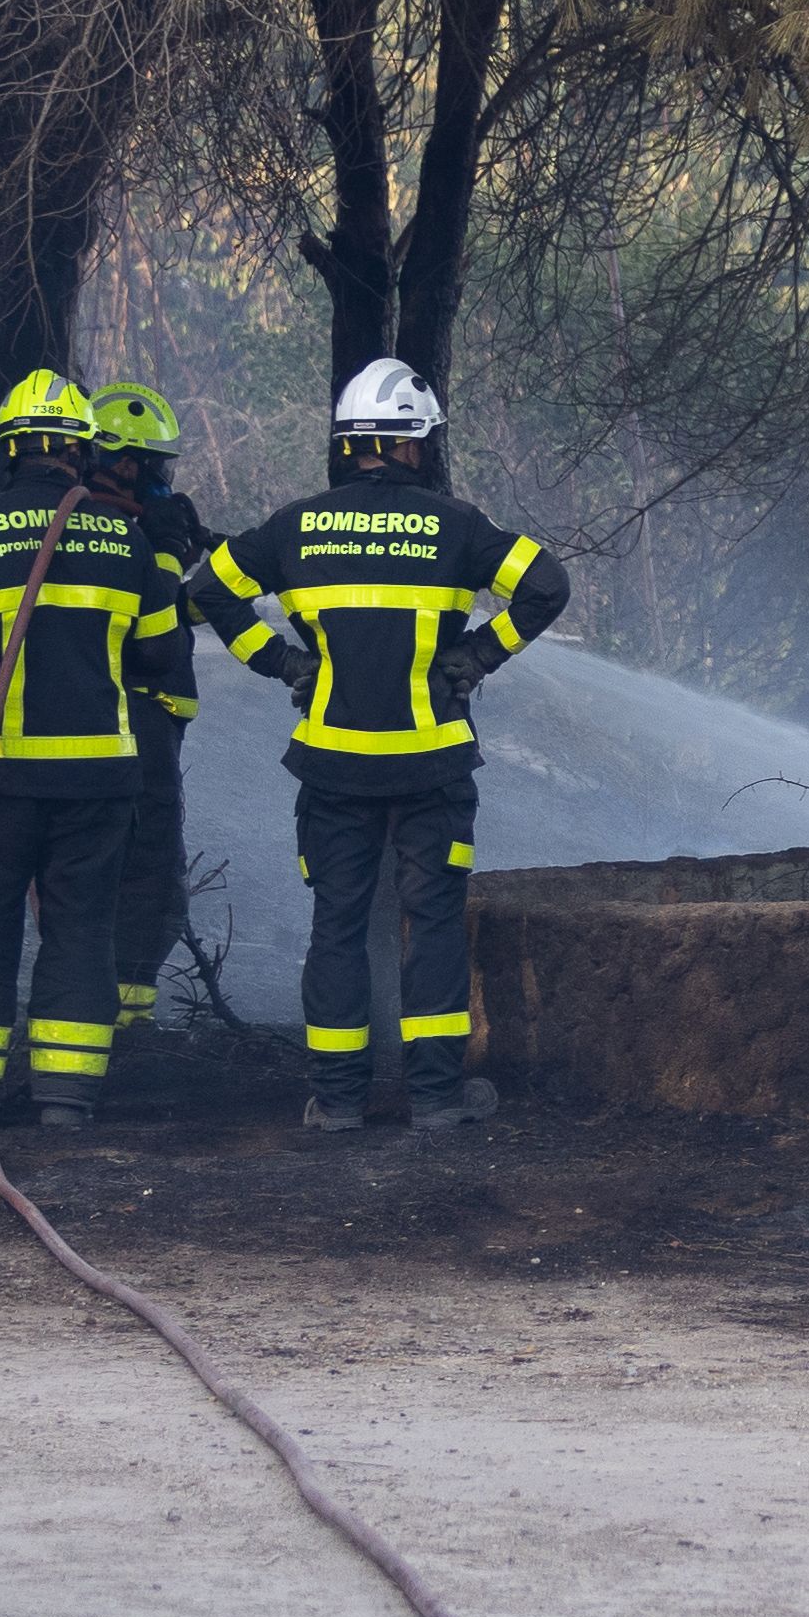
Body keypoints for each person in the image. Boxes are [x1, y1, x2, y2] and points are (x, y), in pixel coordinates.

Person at [202, 359, 568, 1131]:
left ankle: (336, 1101)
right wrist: (479, 654)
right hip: (431, 762)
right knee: (431, 920)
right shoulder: (457, 525)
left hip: (332, 763)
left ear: (350, 445)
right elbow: (546, 584)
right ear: (412, 446)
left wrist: (285, 663)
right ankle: (435, 1098)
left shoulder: (295, 525)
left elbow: (207, 590)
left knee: (336, 921)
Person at [0, 368, 178, 1132]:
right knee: (82, 931)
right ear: (80, 451)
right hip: (100, 783)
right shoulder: (126, 538)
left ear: (10, 451)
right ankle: (65, 1099)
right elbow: (161, 657)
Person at [84, 379, 210, 1039]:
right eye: (157, 465)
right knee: (149, 876)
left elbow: (167, 612)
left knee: (125, 875)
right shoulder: (121, 535)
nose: (163, 480)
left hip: (127, 726)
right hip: (136, 724)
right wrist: (164, 551)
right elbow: (154, 641)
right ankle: (125, 1023)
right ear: (125, 461)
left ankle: (120, 1014)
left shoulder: (109, 528)